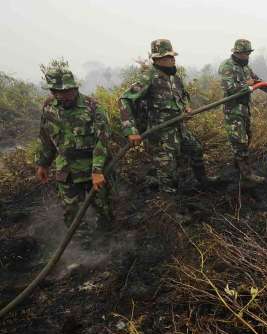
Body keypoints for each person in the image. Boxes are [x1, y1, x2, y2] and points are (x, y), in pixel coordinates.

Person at [119, 39, 215, 193]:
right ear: (157, 60)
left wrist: (186, 107)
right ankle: (170, 209)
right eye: (167, 58)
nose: (172, 60)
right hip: (160, 134)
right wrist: (131, 131)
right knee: (167, 172)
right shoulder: (148, 78)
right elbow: (125, 99)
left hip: (179, 129)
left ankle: (203, 181)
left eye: (172, 57)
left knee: (196, 149)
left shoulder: (175, 78)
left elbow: (183, 95)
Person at [35, 60, 114, 235]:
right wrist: (43, 163)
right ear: (52, 91)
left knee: (104, 209)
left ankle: (108, 243)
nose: (64, 95)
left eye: (68, 91)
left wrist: (98, 170)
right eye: (59, 92)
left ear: (75, 87)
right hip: (67, 171)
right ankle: (82, 247)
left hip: (93, 168)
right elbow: (47, 137)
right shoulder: (48, 108)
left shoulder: (92, 107)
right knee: (71, 213)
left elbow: (103, 139)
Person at [218, 39, 267, 182]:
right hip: (233, 109)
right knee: (240, 140)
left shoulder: (246, 68)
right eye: (244, 54)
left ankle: (237, 166)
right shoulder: (227, 66)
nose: (247, 57)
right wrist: (246, 85)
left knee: (247, 136)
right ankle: (247, 174)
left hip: (244, 108)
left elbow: (258, 81)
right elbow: (229, 88)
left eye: (248, 53)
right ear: (237, 53)